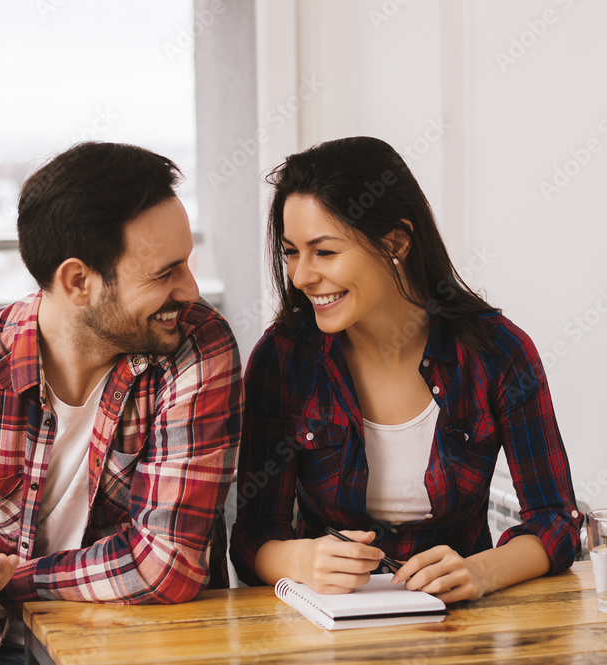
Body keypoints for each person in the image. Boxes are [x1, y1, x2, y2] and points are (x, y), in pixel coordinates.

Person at [0, 142, 242, 665]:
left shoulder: (196, 347)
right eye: (165, 273)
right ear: (79, 281)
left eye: (187, 263)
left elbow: (167, 567)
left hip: (144, 640)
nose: (190, 290)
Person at [230, 136, 581, 602]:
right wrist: (301, 560)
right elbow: (253, 535)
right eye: (291, 252)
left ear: (396, 241)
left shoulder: (498, 352)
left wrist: (480, 572)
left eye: (325, 252)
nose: (300, 276)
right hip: (326, 626)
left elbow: (556, 520)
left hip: (458, 624)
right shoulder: (283, 359)